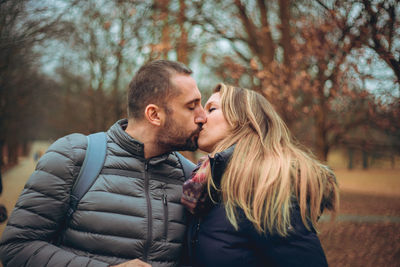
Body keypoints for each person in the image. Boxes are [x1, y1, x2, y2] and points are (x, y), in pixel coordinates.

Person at [0, 60, 207, 267]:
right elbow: (17, 248)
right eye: (191, 106)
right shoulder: (73, 157)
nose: (202, 116)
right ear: (154, 114)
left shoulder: (190, 176)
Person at [181, 83, 339, 267]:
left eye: (212, 109)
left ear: (244, 120)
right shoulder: (210, 184)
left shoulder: (264, 189)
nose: (200, 118)